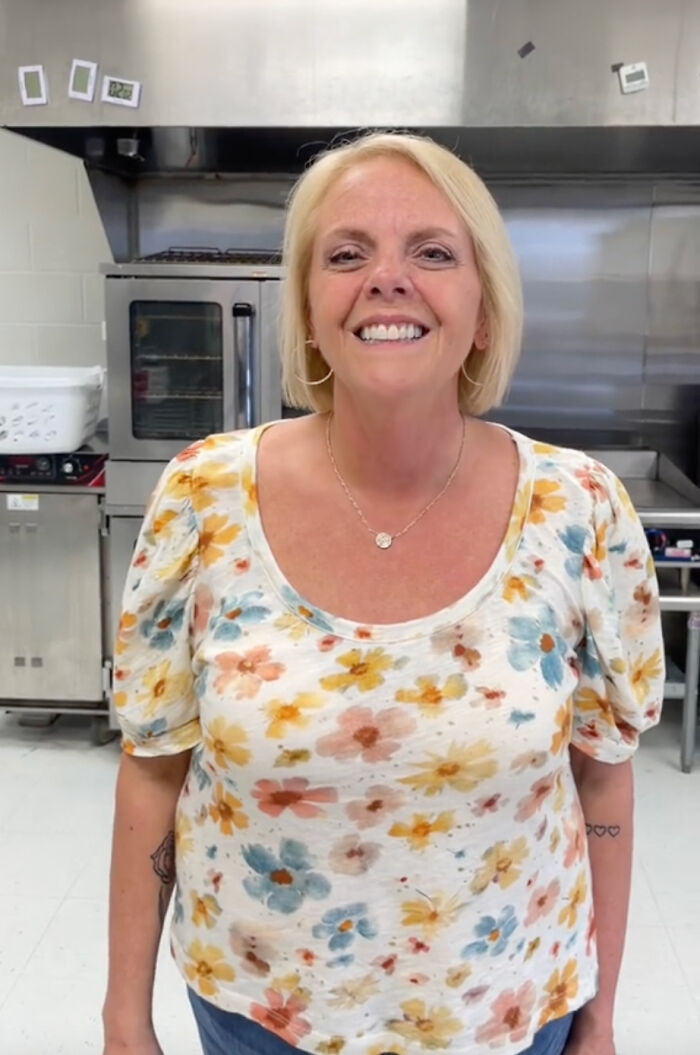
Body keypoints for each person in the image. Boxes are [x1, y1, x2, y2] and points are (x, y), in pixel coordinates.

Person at [102, 132, 664, 1055]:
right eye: (346, 253)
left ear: (483, 309)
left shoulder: (581, 508)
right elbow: (153, 764)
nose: (387, 279)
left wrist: (600, 1017)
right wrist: (125, 1017)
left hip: (510, 1012)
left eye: (433, 252)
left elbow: (604, 775)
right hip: (257, 1015)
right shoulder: (202, 496)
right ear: (309, 308)